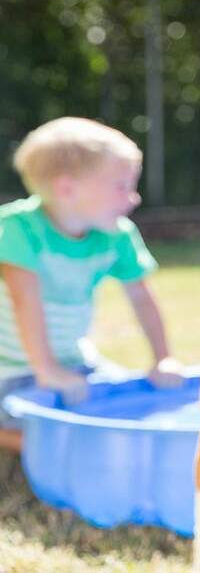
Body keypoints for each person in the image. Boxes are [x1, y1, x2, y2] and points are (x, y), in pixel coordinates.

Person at [0, 117, 183, 452]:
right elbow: (25, 299)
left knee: (123, 410)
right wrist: (47, 370)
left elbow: (141, 297)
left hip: (73, 361)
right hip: (9, 369)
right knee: (50, 437)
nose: (134, 197)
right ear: (67, 189)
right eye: (121, 186)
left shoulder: (116, 234)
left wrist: (163, 358)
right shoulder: (17, 229)